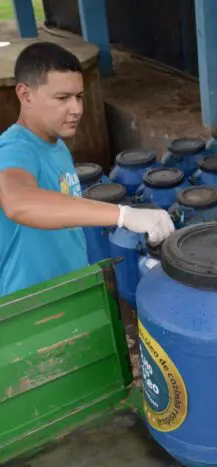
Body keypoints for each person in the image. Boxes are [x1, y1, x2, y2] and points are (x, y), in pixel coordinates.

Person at [0, 42, 173, 297]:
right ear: (25, 95)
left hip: (69, 291)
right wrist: (123, 215)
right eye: (62, 98)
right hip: (32, 309)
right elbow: (19, 202)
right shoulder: (14, 149)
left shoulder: (56, 144)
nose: (77, 110)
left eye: (79, 96)